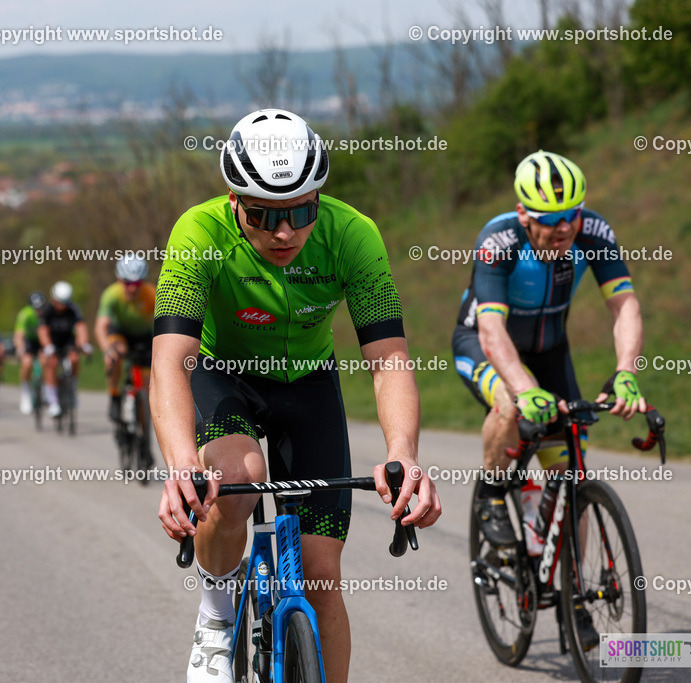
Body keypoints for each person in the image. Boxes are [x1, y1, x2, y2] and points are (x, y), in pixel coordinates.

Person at [151, 108, 441, 683]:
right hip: (222, 372)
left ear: (318, 200)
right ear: (234, 201)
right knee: (237, 480)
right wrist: (183, 463)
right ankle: (215, 614)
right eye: (263, 215)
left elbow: (389, 359)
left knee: (319, 577)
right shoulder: (199, 232)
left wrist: (404, 454)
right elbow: (170, 360)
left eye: (300, 212)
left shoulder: (353, 235)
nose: (284, 232)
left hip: (308, 382)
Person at [452, 150, 646, 648]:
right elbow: (491, 329)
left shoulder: (593, 232)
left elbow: (624, 305)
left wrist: (626, 373)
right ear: (523, 214)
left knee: (570, 478)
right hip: (484, 345)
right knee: (511, 408)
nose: (562, 228)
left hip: (551, 350)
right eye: (548, 219)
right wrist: (524, 388)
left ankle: (570, 595)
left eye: (571, 215)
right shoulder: (499, 240)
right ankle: (495, 493)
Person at [94, 255, 155, 423]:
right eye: (128, 283)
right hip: (119, 333)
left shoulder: (151, 294)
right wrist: (107, 350)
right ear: (119, 280)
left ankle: (142, 436)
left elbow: (165, 322)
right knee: (116, 353)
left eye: (137, 284)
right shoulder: (111, 295)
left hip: (143, 336)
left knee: (146, 383)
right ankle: (114, 395)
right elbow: (100, 327)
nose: (133, 289)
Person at [39, 281, 92, 417]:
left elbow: (80, 327)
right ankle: (53, 401)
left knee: (74, 359)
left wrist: (84, 343)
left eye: (65, 303)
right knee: (51, 363)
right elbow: (43, 331)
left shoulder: (73, 308)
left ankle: (72, 390)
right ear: (53, 299)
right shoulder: (47, 310)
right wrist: (48, 346)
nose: (62, 306)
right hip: (52, 341)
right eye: (59, 302)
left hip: (68, 341)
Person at [15, 292, 47, 415]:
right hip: (29, 341)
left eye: (41, 308)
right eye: (36, 308)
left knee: (45, 361)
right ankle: (25, 392)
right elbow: (19, 335)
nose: (38, 311)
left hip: (42, 340)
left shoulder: (46, 313)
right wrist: (20, 348)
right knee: (27, 363)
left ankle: (45, 389)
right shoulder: (25, 314)